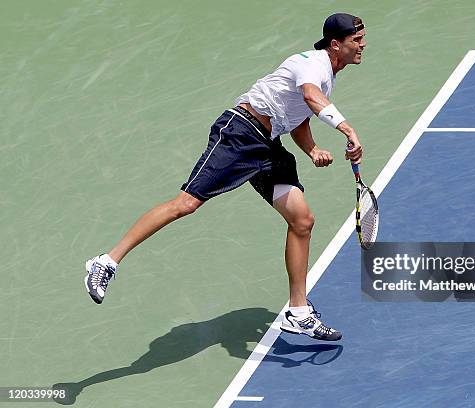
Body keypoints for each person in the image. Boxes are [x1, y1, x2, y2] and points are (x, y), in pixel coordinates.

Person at [84, 13, 366, 341]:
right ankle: (106, 261)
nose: (363, 45)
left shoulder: (328, 75)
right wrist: (347, 128)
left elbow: (299, 115)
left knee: (302, 221)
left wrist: (312, 148)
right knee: (185, 204)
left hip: (267, 145)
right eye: (356, 40)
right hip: (240, 133)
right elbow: (309, 97)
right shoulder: (313, 65)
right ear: (336, 44)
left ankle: (298, 311)